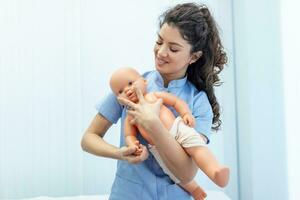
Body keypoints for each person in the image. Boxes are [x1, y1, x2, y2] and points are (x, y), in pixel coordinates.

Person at [81, 2, 227, 200]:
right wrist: (120, 153)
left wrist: (152, 124)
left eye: (173, 49)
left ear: (193, 57)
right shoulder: (130, 86)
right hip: (128, 194)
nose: (161, 52)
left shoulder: (198, 102)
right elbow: (89, 138)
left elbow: (187, 172)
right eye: (159, 42)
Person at [109, 67, 229, 199]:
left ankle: (215, 171)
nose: (127, 90)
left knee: (196, 147)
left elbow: (176, 101)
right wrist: (133, 145)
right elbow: (129, 135)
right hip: (158, 147)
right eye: (120, 91)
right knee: (171, 172)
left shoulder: (153, 96)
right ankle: (194, 189)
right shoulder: (130, 115)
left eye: (131, 84)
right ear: (118, 98)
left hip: (178, 129)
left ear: (144, 81)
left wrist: (186, 113)